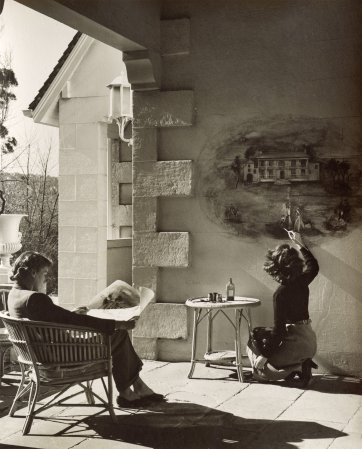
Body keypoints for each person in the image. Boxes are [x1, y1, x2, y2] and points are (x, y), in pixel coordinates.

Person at [7, 251, 164, 407]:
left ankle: (137, 387)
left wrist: (73, 313)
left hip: (40, 356)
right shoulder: (35, 298)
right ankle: (127, 392)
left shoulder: (14, 295)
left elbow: (57, 318)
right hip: (61, 356)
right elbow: (73, 321)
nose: (45, 280)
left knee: (114, 334)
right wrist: (117, 324)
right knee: (118, 334)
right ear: (34, 273)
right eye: (45, 274)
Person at [247, 232, 319, 386]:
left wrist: (264, 356)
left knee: (259, 366)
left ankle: (297, 367)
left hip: (295, 344)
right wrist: (299, 243)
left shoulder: (280, 293)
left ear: (278, 270)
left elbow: (279, 332)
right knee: (261, 332)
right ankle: (300, 365)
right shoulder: (302, 281)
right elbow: (314, 266)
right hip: (310, 342)